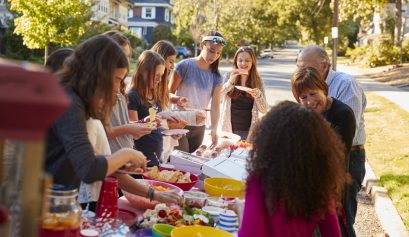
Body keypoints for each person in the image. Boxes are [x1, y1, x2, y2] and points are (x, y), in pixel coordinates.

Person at [45, 35, 182, 206]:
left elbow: (100, 163)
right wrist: (128, 154)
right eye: (117, 79)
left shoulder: (78, 102)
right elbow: (89, 169)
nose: (117, 87)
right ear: (98, 73)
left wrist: (152, 193)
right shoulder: (70, 103)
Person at [239, 101, 349, 237]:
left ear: (269, 140)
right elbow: (333, 233)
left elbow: (250, 233)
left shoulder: (259, 181)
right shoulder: (319, 185)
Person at [296, 45, 366, 237]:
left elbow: (346, 132)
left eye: (307, 67)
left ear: (324, 65)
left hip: (348, 158)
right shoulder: (305, 86)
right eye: (299, 67)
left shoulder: (345, 84)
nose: (302, 71)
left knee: (342, 219)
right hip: (319, 163)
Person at [170, 31, 225, 152]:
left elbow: (215, 105)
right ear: (202, 45)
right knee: (180, 161)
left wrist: (214, 129)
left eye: (218, 53)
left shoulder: (218, 76)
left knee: (191, 166)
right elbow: (168, 93)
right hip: (179, 123)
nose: (214, 56)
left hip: (200, 127)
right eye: (211, 50)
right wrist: (177, 100)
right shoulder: (184, 66)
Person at [103, 31, 152, 154]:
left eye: (128, 56)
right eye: (122, 55)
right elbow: (101, 133)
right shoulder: (99, 91)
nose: (126, 61)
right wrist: (129, 128)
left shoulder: (120, 88)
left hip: (124, 164)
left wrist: (139, 124)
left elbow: (119, 124)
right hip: (110, 162)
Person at [127, 50, 179, 166]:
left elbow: (156, 127)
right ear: (143, 71)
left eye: (161, 76)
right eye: (156, 75)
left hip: (156, 156)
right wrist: (144, 122)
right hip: (139, 159)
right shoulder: (132, 96)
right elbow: (131, 129)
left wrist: (170, 132)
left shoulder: (155, 94)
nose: (159, 80)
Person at [219, 46, 268, 140]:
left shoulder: (258, 81)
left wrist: (258, 96)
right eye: (240, 60)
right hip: (228, 129)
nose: (243, 63)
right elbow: (218, 98)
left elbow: (264, 110)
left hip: (248, 131)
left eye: (247, 60)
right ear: (235, 61)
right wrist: (230, 82)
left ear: (252, 62)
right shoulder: (228, 76)